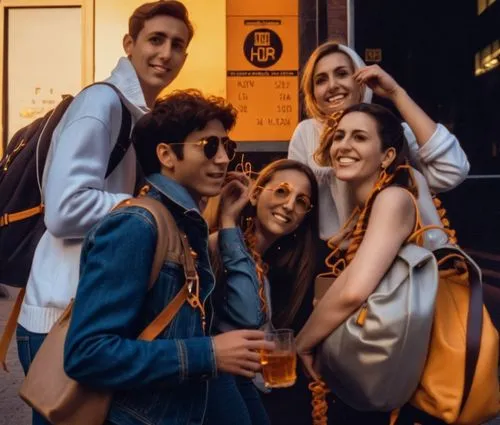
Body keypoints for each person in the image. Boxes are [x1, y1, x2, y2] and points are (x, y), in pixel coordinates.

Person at [15, 3, 193, 424]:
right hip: (62, 315)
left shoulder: (136, 116)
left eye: (178, 44)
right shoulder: (102, 103)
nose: (166, 53)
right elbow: (64, 210)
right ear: (129, 44)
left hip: (89, 311)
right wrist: (145, 210)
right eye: (155, 39)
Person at [63, 89, 274, 425]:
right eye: (209, 146)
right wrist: (209, 353)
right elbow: (87, 354)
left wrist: (230, 223)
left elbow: (248, 314)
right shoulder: (136, 225)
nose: (223, 159)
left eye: (227, 147)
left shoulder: (187, 226)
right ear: (166, 155)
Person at [295, 103, 450, 424]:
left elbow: (354, 290)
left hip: (415, 376)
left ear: (388, 156)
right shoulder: (367, 208)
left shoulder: (393, 198)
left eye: (360, 137)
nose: (343, 145)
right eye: (339, 136)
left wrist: (302, 343)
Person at [288, 41, 470, 241]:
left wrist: (396, 93)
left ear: (361, 80)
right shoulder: (306, 133)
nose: (332, 85)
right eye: (321, 80)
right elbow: (296, 201)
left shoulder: (390, 130)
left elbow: (452, 170)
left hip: (395, 251)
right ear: (313, 93)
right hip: (330, 257)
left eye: (342, 74)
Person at [202, 159, 320, 425]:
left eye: (301, 201)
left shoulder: (269, 265)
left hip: (251, 391)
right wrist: (229, 219)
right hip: (218, 390)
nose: (289, 205)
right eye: (281, 191)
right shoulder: (217, 245)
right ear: (255, 194)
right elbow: (247, 315)